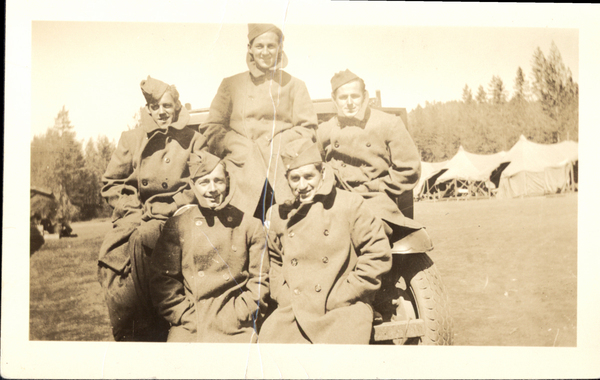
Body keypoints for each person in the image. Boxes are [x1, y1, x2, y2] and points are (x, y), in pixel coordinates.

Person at [98, 76, 207, 342]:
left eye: (167, 105)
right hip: (136, 214)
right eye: (155, 106)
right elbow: (110, 184)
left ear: (176, 106)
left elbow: (200, 182)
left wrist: (176, 204)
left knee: (154, 240)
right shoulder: (131, 139)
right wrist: (131, 208)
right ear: (147, 109)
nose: (161, 112)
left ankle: (172, 320)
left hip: (179, 213)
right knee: (115, 261)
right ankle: (135, 327)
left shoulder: (193, 139)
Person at [259, 139, 392, 344]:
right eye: (295, 178)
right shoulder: (277, 214)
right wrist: (284, 296)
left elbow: (377, 254)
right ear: (287, 179)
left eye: (309, 176)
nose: (302, 185)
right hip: (293, 309)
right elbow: (274, 262)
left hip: (343, 308)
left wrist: (345, 294)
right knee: (270, 350)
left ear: (322, 173)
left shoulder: (349, 204)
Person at [149, 151, 270, 343]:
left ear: (227, 182)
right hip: (190, 324)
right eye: (204, 182)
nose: (212, 189)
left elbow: (260, 281)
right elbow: (163, 282)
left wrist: (241, 313)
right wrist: (183, 314)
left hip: (236, 324)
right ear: (193, 186)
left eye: (218, 181)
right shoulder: (178, 225)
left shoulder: (250, 226)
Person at [203, 23, 318, 220]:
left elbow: (308, 128)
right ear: (250, 49)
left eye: (271, 46)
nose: (265, 52)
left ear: (280, 48)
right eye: (259, 46)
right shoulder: (231, 84)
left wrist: (277, 143)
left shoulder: (295, 86)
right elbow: (211, 128)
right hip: (241, 171)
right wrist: (241, 146)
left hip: (282, 172)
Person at [317, 69, 423, 238]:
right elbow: (312, 167)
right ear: (334, 99)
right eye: (343, 97)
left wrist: (377, 186)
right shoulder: (324, 130)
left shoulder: (388, 123)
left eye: (355, 96)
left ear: (364, 96)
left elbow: (409, 169)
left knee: (367, 231)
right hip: (337, 201)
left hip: (375, 201)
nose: (349, 102)